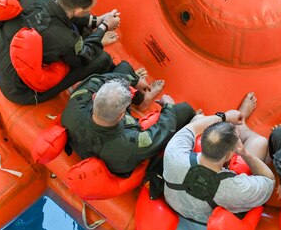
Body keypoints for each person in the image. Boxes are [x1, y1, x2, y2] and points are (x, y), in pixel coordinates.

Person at [162, 94, 276, 230]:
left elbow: (192, 128)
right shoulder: (236, 188)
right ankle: (241, 128)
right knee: (259, 142)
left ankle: (231, 127)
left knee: (197, 120)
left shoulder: (174, 153)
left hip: (178, 219)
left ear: (201, 141)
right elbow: (269, 180)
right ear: (230, 155)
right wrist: (244, 152)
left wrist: (224, 117)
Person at [0, 0, 121, 104]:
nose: (88, 11)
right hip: (19, 90)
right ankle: (120, 80)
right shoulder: (65, 38)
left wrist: (96, 21)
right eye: (87, 10)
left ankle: (92, 29)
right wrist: (103, 28)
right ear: (79, 10)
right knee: (102, 59)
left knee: (64, 23)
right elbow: (84, 57)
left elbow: (61, 12)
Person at [61, 67, 196, 177]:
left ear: (95, 96)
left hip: (91, 140)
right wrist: (168, 106)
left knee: (124, 68)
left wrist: (133, 80)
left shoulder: (74, 107)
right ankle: (194, 120)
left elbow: (98, 80)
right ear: (122, 115)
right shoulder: (131, 143)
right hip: (119, 155)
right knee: (185, 109)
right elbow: (162, 132)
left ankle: (143, 99)